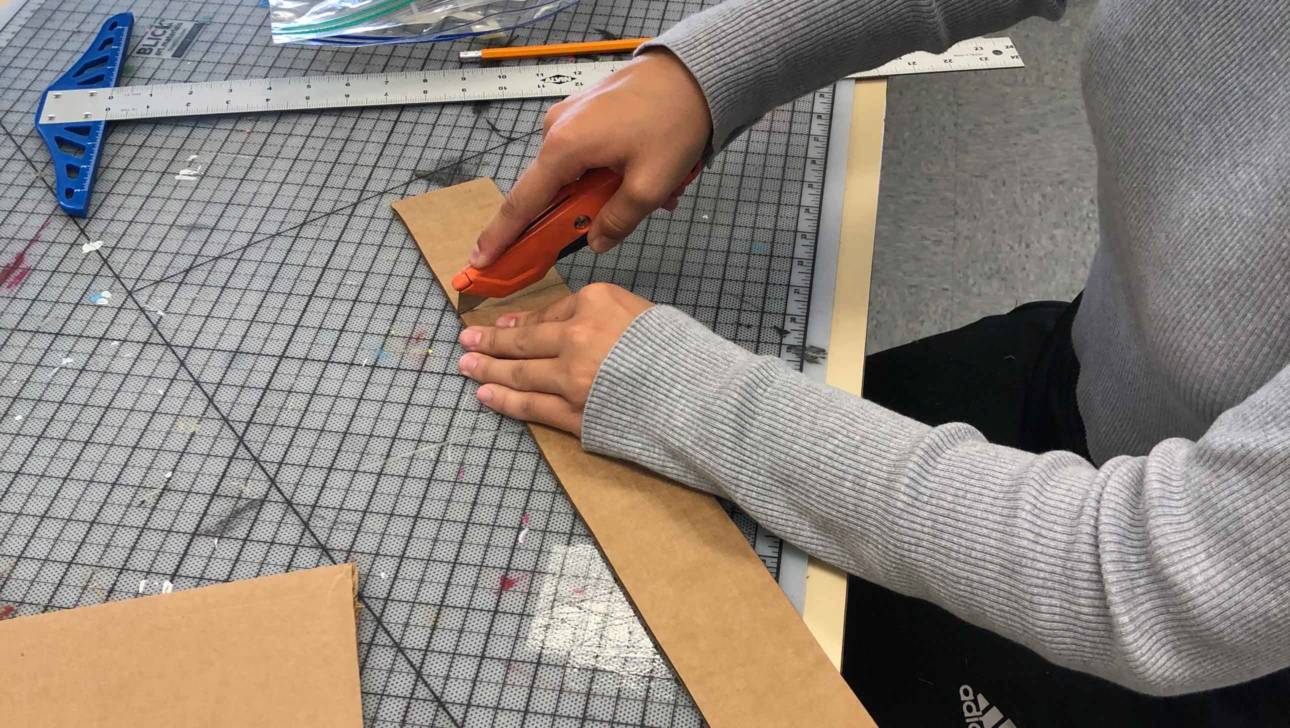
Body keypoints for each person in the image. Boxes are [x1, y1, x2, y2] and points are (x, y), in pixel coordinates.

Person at [453, 1, 1290, 725]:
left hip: (1209, 637)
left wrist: (691, 397)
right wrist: (709, 69)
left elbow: (1158, 580)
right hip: (1095, 367)